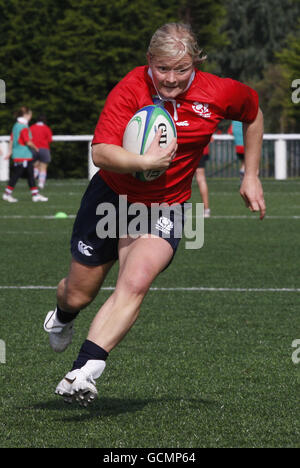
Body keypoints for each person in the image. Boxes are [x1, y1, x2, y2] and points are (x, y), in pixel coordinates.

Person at [44, 23, 266, 407]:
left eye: (182, 69)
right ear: (149, 61)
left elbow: (254, 113)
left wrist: (251, 176)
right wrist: (144, 161)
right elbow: (101, 152)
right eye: (163, 68)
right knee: (79, 293)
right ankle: (61, 316)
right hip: (111, 198)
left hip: (166, 205)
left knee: (136, 280)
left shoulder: (219, 92)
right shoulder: (131, 87)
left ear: (196, 62)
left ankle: (83, 372)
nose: (172, 79)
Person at [2, 106, 48, 203]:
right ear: (26, 115)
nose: (31, 117)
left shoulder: (16, 125)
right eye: (30, 115)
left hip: (21, 155)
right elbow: (27, 141)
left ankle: (35, 195)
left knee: (30, 174)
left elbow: (11, 139)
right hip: (23, 155)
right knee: (16, 175)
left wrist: (10, 152)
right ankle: (7, 194)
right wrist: (36, 148)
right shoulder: (23, 126)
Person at [30, 114, 53, 189]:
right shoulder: (47, 128)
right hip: (44, 148)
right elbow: (50, 140)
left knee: (35, 166)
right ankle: (41, 183)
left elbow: (28, 138)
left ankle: (32, 181)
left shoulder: (31, 127)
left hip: (33, 148)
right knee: (43, 167)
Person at [195, 142, 211, 218]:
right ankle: (206, 209)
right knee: (201, 178)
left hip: (191, 149)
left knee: (200, 178)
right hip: (202, 149)